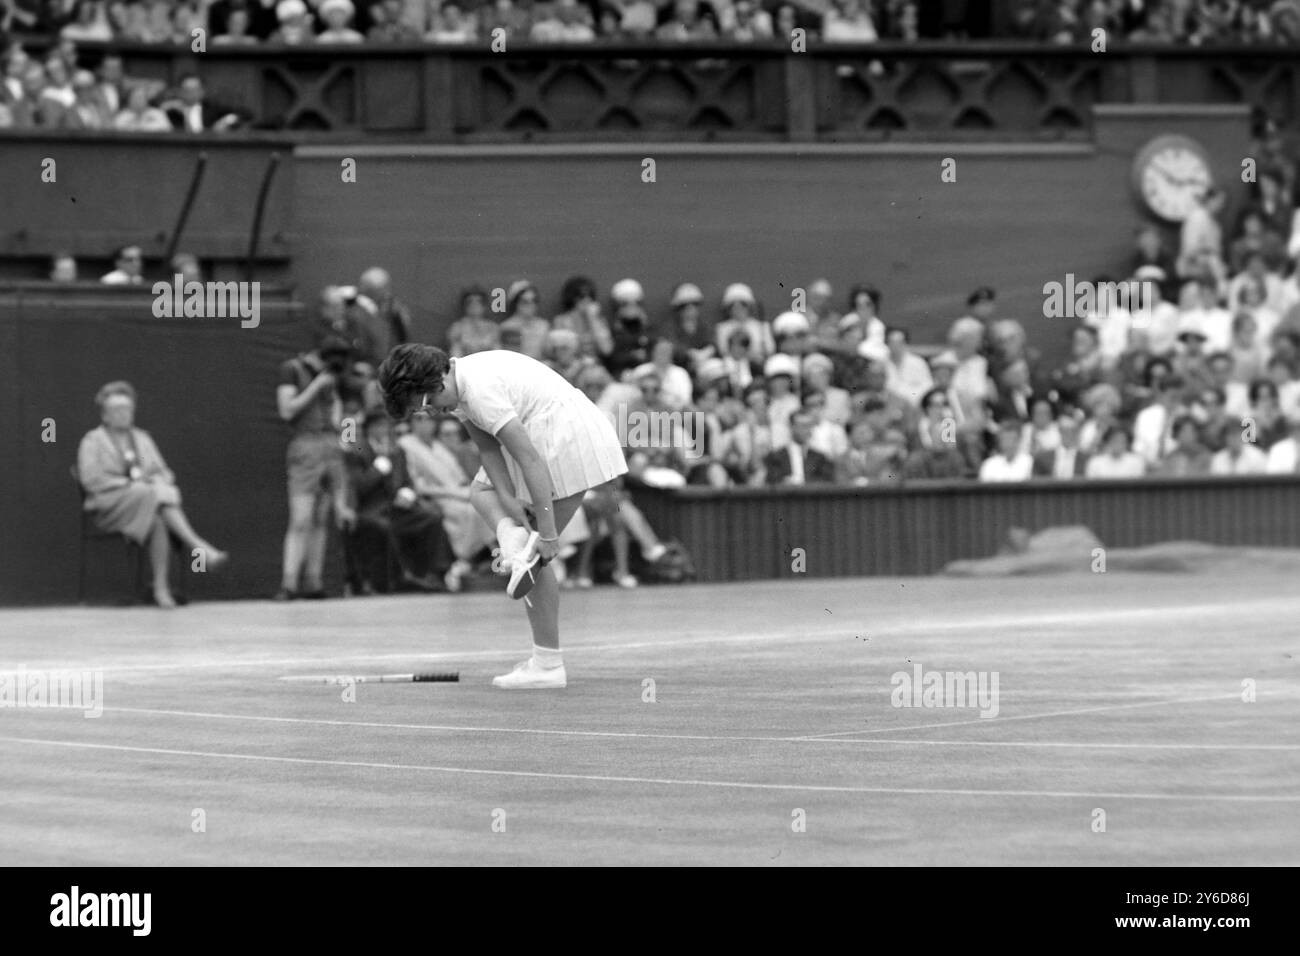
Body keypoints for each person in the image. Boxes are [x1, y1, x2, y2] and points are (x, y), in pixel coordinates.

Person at [378, 345, 629, 689]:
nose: (432, 413)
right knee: (481, 494)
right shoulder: (460, 386)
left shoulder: (479, 391)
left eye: (425, 405)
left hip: (567, 438)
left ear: (434, 380)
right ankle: (513, 541)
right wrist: (510, 503)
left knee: (536, 556)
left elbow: (530, 459)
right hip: (554, 431)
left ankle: (547, 666)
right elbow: (487, 449)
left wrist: (549, 534)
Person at [77, 381, 228, 608]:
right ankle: (199, 547)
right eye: (117, 410)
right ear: (105, 416)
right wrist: (130, 483)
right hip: (108, 505)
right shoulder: (92, 441)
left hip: (146, 500)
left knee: (157, 518)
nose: (123, 414)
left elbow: (165, 473)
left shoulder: (143, 439)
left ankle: (161, 587)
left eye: (127, 409)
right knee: (150, 492)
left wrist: (156, 481)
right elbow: (90, 480)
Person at [275, 333, 357, 600]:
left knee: (321, 518)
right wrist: (317, 385)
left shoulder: (333, 376)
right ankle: (288, 583)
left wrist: (341, 431)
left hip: (330, 444)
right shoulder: (292, 369)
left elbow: (338, 413)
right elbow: (287, 410)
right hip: (305, 445)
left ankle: (313, 580)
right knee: (300, 519)